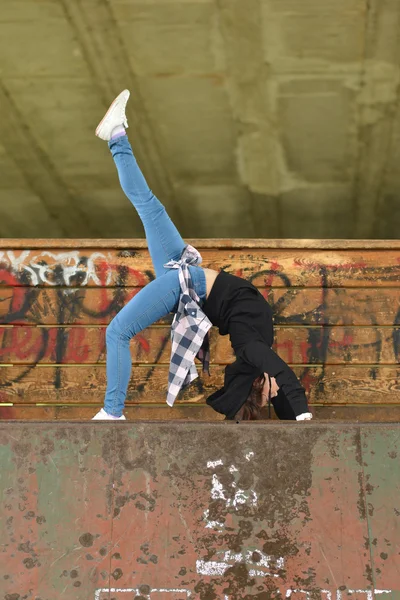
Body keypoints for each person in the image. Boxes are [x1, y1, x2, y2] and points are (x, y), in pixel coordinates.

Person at [92, 90, 313, 423]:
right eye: (275, 393)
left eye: (269, 396)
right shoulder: (259, 350)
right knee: (150, 206)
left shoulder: (252, 348)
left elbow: (275, 377)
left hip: (185, 284)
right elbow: (278, 382)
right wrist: (297, 410)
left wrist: (297, 409)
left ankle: (113, 412)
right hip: (186, 272)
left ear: (258, 380)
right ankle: (117, 136)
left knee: (117, 332)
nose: (275, 394)